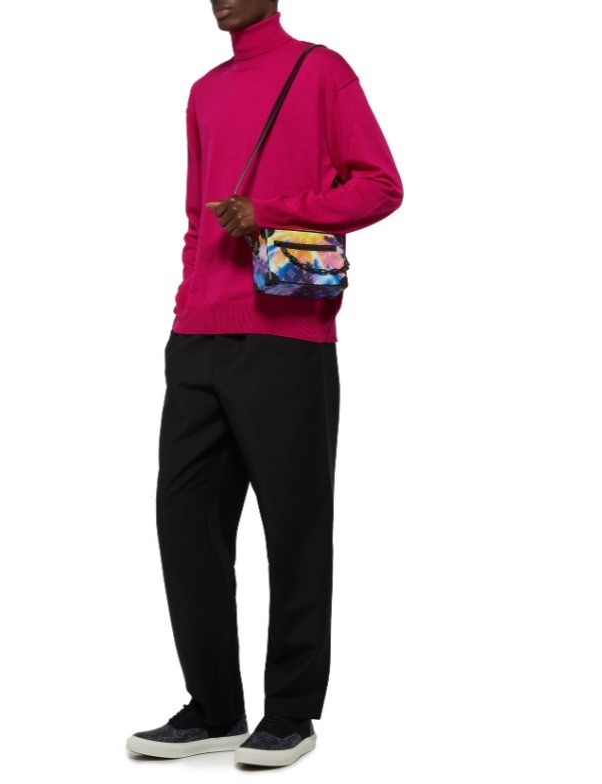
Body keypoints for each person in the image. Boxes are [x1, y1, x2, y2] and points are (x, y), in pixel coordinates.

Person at [126, 0, 403, 768]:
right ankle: (215, 707)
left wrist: (273, 211)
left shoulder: (321, 71)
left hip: (287, 334)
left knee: (295, 528)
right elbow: (196, 216)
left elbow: (381, 185)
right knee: (185, 524)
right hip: (197, 337)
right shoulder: (204, 91)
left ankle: (290, 713)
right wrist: (185, 307)